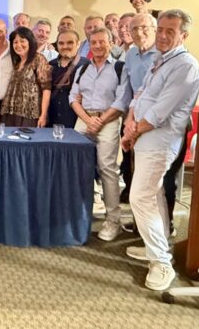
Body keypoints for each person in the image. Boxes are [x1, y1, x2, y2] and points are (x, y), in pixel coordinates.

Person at [122, 9, 199, 291]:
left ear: (184, 35)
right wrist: (130, 121)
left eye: (171, 31)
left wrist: (133, 131)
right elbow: (140, 95)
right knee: (153, 195)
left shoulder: (186, 66)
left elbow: (159, 113)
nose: (163, 36)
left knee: (140, 197)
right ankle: (158, 245)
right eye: (161, 30)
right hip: (144, 137)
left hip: (160, 141)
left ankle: (161, 262)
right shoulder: (160, 59)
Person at [69, 27, 131, 242]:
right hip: (84, 120)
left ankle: (113, 221)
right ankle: (77, 215)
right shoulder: (83, 69)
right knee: (76, 168)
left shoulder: (120, 68)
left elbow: (122, 101)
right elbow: (73, 98)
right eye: (93, 42)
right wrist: (88, 120)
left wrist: (100, 121)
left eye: (101, 42)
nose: (97, 46)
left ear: (111, 43)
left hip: (109, 121)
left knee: (107, 169)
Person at [119, 14, 158, 205]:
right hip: (132, 116)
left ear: (155, 30)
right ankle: (135, 210)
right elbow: (127, 88)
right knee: (130, 164)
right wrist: (128, 118)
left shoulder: (163, 54)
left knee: (153, 172)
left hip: (155, 119)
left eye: (144, 28)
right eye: (133, 28)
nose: (139, 32)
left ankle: (162, 218)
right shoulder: (131, 54)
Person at [0, 27, 52, 127]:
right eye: (15, 42)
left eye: (22, 41)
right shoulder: (17, 62)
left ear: (30, 42)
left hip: (29, 114)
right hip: (10, 113)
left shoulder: (38, 59)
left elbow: (46, 89)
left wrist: (43, 115)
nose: (18, 45)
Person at [48, 29, 88, 128]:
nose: (65, 46)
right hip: (51, 120)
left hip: (76, 121)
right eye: (61, 43)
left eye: (70, 43)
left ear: (78, 44)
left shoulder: (87, 65)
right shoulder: (50, 65)